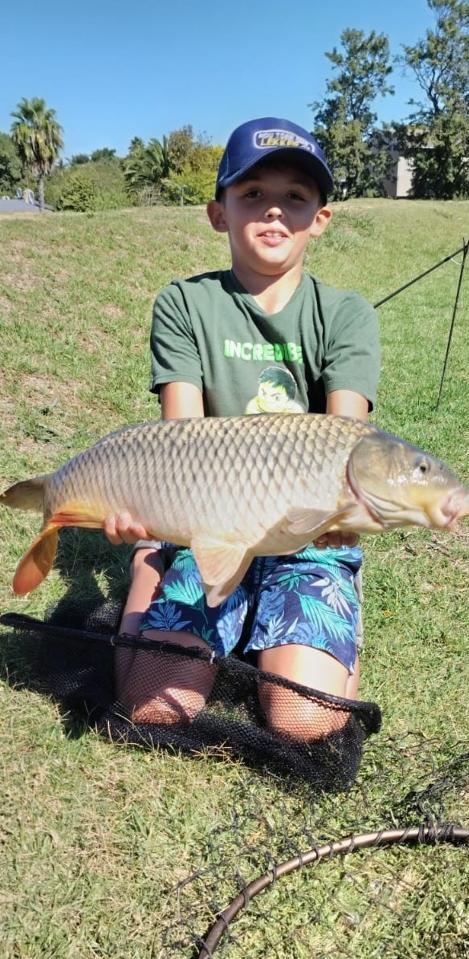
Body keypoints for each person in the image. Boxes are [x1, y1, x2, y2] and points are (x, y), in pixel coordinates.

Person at [105, 117, 380, 740]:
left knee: (304, 721)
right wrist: (154, 518)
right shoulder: (185, 303)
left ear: (320, 218)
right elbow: (179, 444)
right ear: (218, 213)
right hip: (209, 524)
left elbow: (346, 445)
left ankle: (313, 619)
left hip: (304, 534)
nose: (274, 210)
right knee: (154, 709)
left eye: (295, 197)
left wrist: (342, 515)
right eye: (252, 193)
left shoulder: (346, 314)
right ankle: (152, 565)